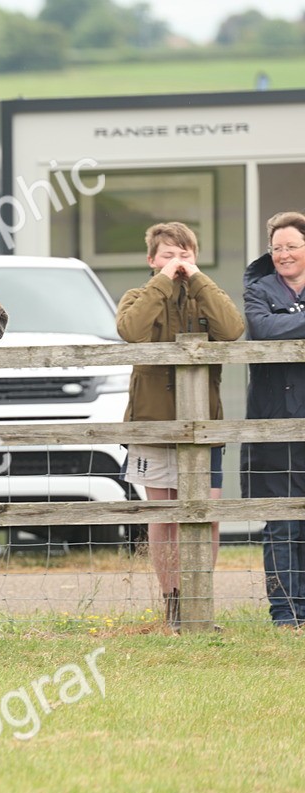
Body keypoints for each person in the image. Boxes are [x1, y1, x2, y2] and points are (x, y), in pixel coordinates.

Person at [116, 221, 245, 631]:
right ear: (151, 260)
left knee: (207, 514)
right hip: (152, 424)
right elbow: (131, 331)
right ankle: (173, 603)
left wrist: (198, 280)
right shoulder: (138, 296)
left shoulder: (208, 297)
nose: (177, 262)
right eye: (168, 255)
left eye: (185, 254)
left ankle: (199, 602)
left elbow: (232, 329)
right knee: (165, 517)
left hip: (205, 426)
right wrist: (163, 282)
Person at [241, 211, 305, 628]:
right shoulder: (257, 290)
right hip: (274, 424)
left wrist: (290, 323)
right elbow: (263, 329)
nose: (283, 254)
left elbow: (280, 326)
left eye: (292, 246)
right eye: (277, 247)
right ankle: (286, 614)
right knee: (282, 522)